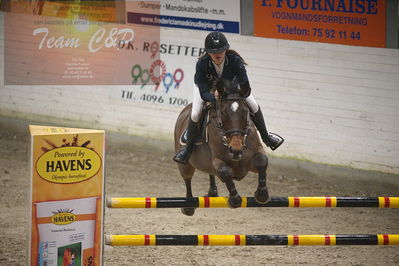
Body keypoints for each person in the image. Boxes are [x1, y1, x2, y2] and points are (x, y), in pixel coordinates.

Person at [173, 31, 283, 164]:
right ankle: (188, 149)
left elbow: (244, 84)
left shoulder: (235, 61)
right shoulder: (202, 64)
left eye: (220, 50)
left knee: (253, 105)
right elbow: (203, 91)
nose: (217, 54)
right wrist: (213, 96)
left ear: (226, 49)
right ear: (208, 52)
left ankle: (267, 138)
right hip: (207, 89)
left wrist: (235, 93)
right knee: (196, 113)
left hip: (232, 90)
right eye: (213, 52)